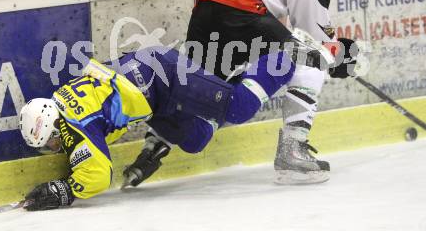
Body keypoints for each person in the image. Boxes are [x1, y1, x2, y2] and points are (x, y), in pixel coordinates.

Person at [19, 44, 305, 211]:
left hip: (166, 77)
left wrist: (64, 190)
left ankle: (290, 54)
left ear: (55, 127)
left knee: (239, 107)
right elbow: (101, 133)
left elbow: (98, 174)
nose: (52, 149)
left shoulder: (74, 127)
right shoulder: (59, 100)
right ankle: (160, 138)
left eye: (50, 143)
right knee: (196, 139)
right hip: (152, 91)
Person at [184, 0, 356, 184]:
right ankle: (292, 150)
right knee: (313, 60)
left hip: (208, 2)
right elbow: (314, 35)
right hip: (244, 11)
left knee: (199, 84)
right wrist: (337, 54)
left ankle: (155, 142)